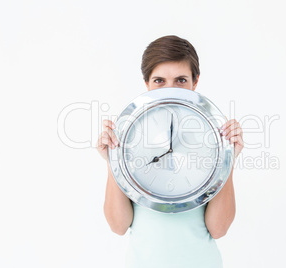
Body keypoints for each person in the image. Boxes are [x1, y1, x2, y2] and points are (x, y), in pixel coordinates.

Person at [96, 35, 244, 268]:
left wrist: (228, 158)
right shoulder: (130, 135)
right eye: (159, 81)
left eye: (181, 80)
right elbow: (118, 226)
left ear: (195, 82)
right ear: (146, 83)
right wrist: (112, 160)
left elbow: (219, 229)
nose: (170, 90)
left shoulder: (214, 137)